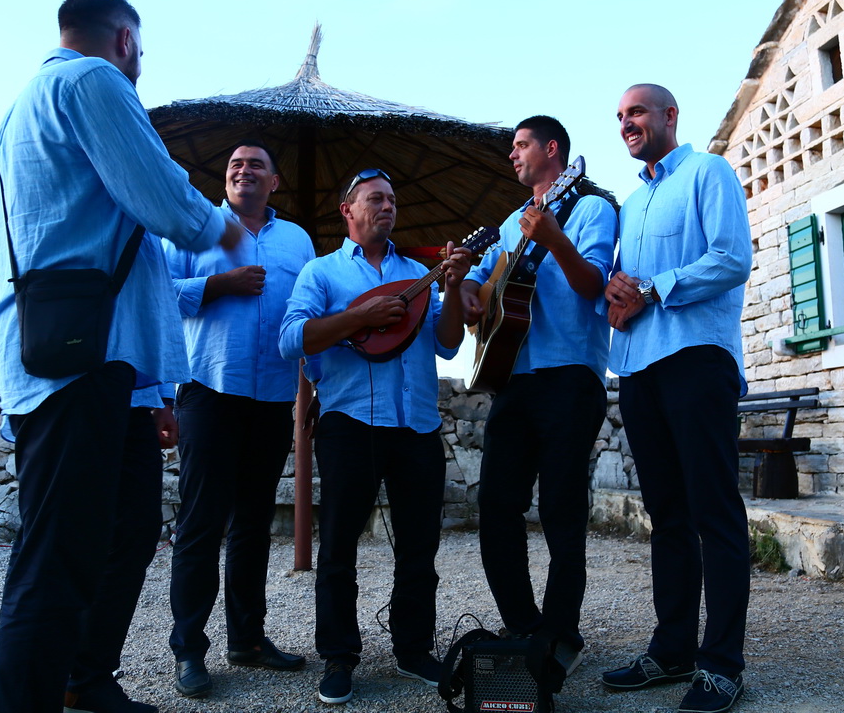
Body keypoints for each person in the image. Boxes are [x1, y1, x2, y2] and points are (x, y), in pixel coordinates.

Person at [0, 0, 239, 713]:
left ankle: (83, 678)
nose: (140, 61)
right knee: (55, 556)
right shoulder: (92, 81)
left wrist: (21, 315)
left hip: (98, 362)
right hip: (75, 361)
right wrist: (230, 232)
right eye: (140, 50)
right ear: (123, 40)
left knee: (127, 526)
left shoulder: (17, 113)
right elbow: (165, 200)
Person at [278, 168, 471, 706]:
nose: (387, 206)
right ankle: (339, 657)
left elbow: (450, 343)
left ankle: (413, 648)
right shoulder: (322, 273)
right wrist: (356, 317)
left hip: (416, 425)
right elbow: (291, 338)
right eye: (375, 199)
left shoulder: (419, 273)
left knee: (420, 548)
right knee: (339, 549)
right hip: (349, 424)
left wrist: (452, 287)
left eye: (391, 199)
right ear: (348, 209)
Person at [601, 84, 753, 713]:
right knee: (666, 515)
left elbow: (731, 259)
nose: (625, 123)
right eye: (619, 117)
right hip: (638, 369)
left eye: (635, 112)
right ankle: (672, 650)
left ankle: (721, 665)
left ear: (669, 116)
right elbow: (623, 288)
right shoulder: (632, 203)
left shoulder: (708, 172)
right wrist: (615, 295)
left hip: (695, 359)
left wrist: (653, 289)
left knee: (713, 511)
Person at [460, 115, 617, 679]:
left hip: (570, 376)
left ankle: (561, 632)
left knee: (560, 508)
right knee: (497, 504)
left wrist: (555, 240)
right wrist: (474, 295)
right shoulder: (508, 222)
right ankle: (523, 624)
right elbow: (480, 279)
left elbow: (594, 284)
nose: (512, 155)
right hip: (513, 376)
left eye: (521, 145)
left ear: (553, 150)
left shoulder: (592, 206)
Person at [162, 140, 315, 698]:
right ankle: (189, 651)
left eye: (255, 165)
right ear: (226, 181)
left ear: (274, 181)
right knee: (201, 524)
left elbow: (308, 311)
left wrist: (317, 379)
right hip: (208, 388)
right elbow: (158, 292)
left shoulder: (297, 240)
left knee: (254, 524)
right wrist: (216, 286)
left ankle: (248, 639)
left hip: (274, 395)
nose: (243, 170)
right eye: (234, 165)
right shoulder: (194, 227)